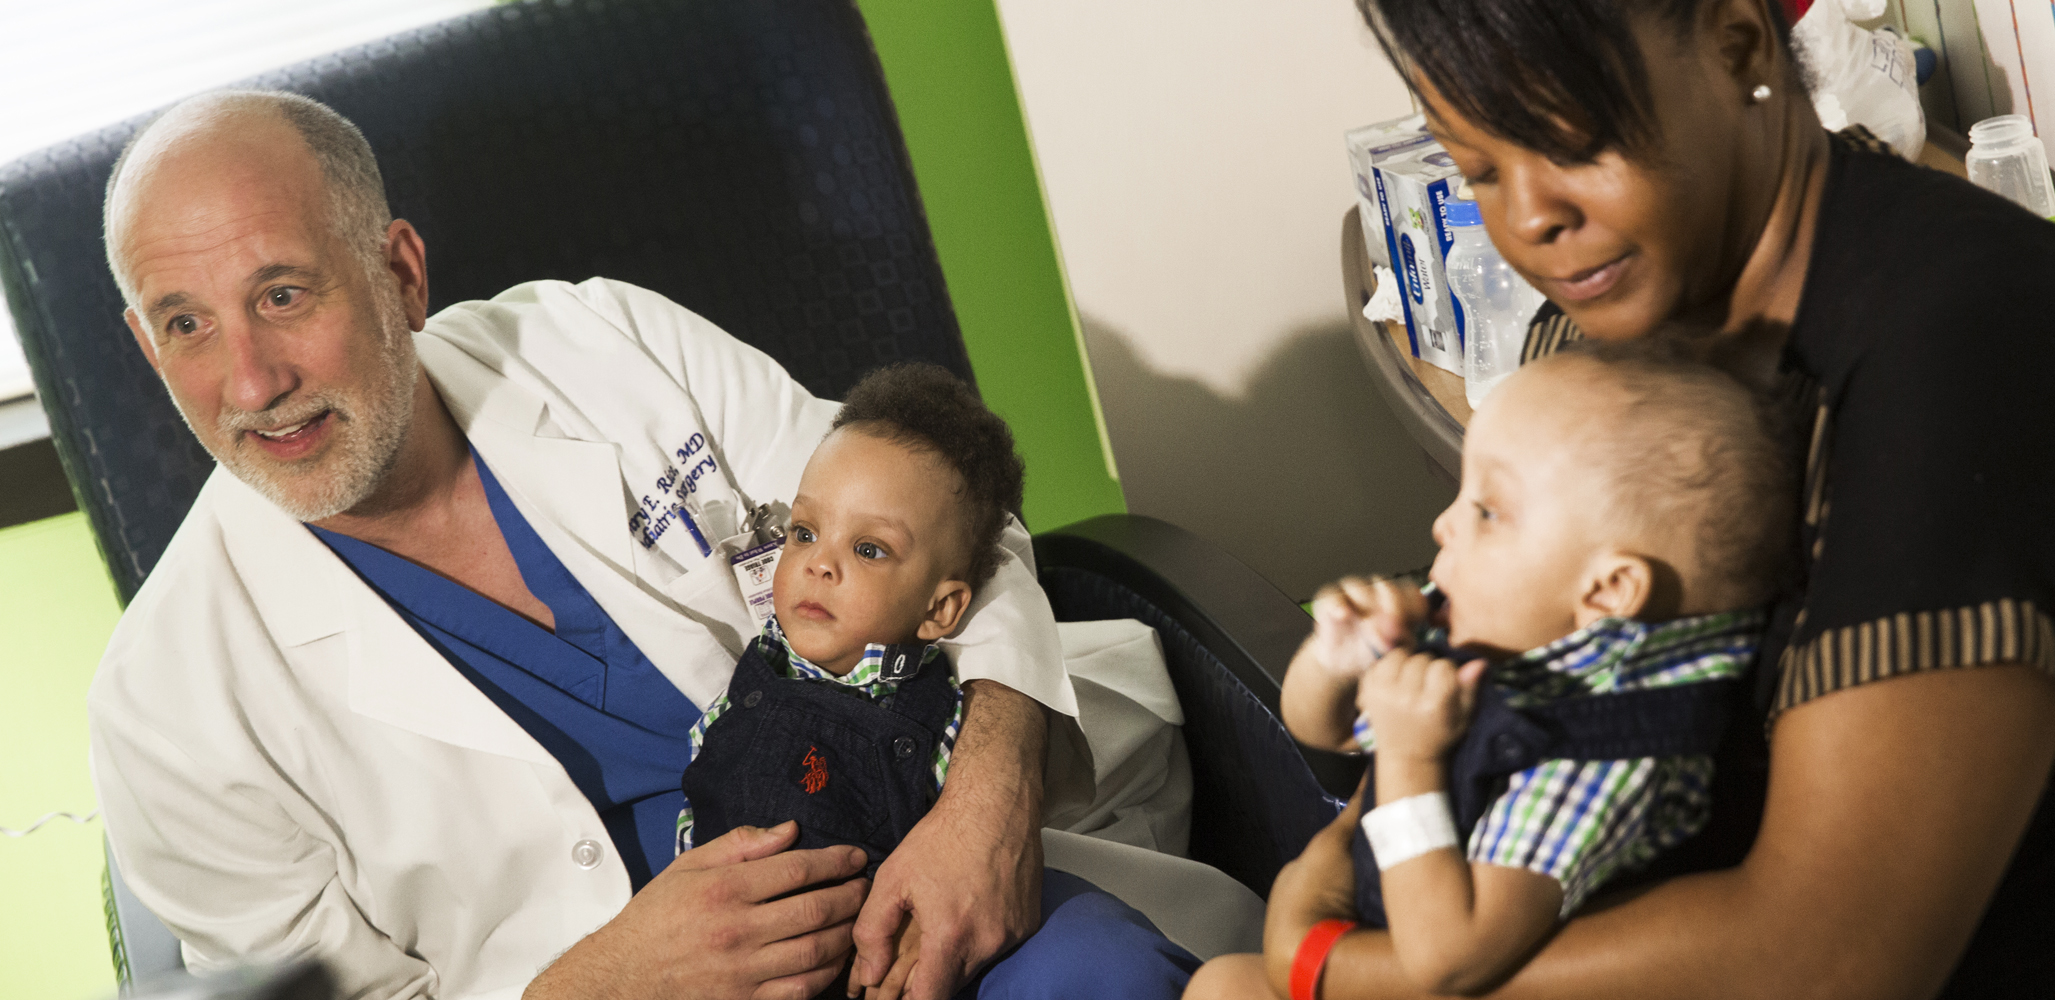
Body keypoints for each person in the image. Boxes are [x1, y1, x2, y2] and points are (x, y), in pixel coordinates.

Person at [84, 89, 1234, 1000]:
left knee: (1104, 976)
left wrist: (984, 799)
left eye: (283, 294)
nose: (250, 382)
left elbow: (940, 527)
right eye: (186, 323)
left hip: (914, 898)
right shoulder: (163, 713)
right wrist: (592, 985)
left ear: (399, 272)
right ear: (142, 344)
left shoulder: (601, 344)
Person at [1245, 0, 2055, 997]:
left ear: (1735, 47)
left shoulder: (1961, 347)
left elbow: (1827, 960)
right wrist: (1359, 835)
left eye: (1570, 142)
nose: (1529, 217)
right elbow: (1494, 677)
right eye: (1479, 171)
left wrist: (1328, 961)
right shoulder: (1618, 337)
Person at [1189, 342, 1795, 999]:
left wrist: (1409, 756)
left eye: (1488, 511)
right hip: (1372, 932)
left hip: (1427, 965)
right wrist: (1336, 661)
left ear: (1607, 590)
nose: (1443, 524)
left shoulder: (1602, 761)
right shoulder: (1502, 636)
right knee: (1223, 983)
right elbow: (1322, 729)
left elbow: (1446, 960)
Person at [680, 363, 1198, 998]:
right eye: (804, 532)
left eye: (869, 550)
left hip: (888, 954)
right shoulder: (754, 677)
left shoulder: (936, 716)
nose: (819, 563)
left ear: (939, 610)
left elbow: (964, 853)